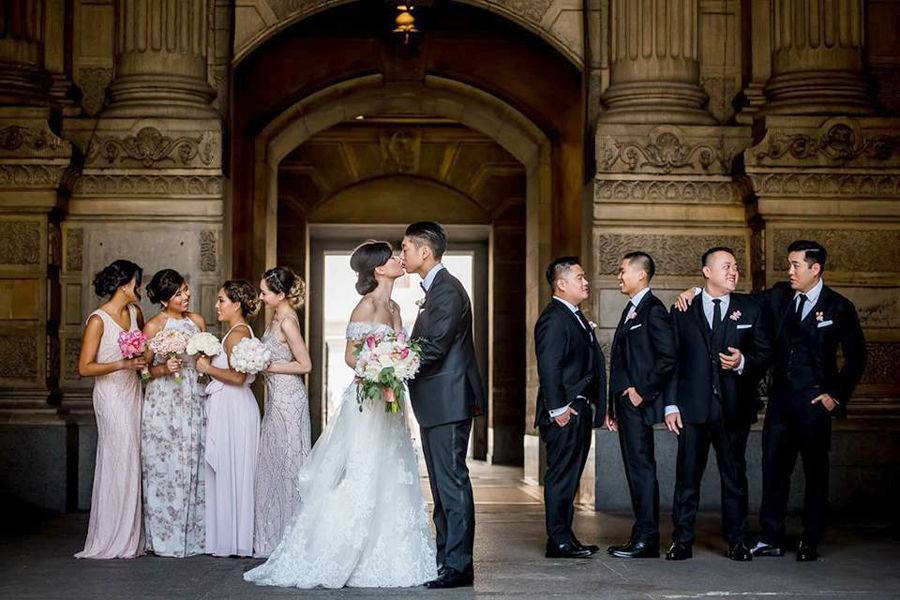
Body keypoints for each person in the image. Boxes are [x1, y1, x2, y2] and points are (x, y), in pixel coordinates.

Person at [244, 241, 436, 589]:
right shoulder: (365, 306)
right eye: (392, 256)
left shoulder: (393, 306)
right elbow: (351, 356)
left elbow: (400, 349)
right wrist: (377, 370)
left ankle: (393, 549)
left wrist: (397, 366)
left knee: (392, 469)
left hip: (392, 402)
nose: (398, 259)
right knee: (362, 470)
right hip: (367, 400)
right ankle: (340, 549)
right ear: (379, 268)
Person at [664, 247, 770, 562]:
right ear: (707, 272)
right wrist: (671, 405)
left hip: (733, 409)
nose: (733, 272)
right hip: (692, 408)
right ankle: (681, 540)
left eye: (735, 267)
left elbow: (764, 354)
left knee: (734, 478)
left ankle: (737, 540)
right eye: (725, 267)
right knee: (686, 478)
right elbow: (673, 361)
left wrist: (742, 362)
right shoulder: (683, 309)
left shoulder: (750, 308)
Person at [402, 222, 486, 589]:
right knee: (440, 486)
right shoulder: (435, 289)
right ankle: (445, 560)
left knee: (451, 484)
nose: (401, 254)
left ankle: (458, 566)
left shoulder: (448, 291)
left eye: (405, 248)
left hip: (449, 400)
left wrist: (396, 363)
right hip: (437, 402)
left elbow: (434, 346)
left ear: (425, 252)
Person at [605, 252, 676, 559]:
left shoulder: (653, 310)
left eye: (622, 271)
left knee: (642, 470)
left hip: (637, 403)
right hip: (624, 407)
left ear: (641, 275)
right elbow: (620, 363)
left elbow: (668, 357)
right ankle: (640, 532)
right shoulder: (631, 309)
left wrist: (640, 392)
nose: (618, 277)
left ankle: (647, 539)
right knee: (635, 470)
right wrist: (612, 406)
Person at [534, 257, 605, 559]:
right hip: (564, 414)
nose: (585, 281)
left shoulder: (574, 315)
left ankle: (566, 536)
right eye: (579, 277)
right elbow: (548, 366)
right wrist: (558, 409)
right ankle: (558, 541)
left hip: (578, 410)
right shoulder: (553, 318)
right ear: (561, 284)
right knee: (561, 476)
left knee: (571, 476)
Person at [76, 260, 147, 559]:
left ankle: (130, 536)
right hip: (110, 394)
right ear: (124, 286)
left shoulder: (135, 313)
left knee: (133, 456)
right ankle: (109, 535)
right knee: (118, 454)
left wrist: (142, 361)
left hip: (132, 391)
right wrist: (123, 363)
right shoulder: (98, 321)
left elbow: (142, 349)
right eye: (137, 283)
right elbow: (84, 367)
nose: (139, 289)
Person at [141, 269, 207, 557]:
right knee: (164, 466)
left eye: (186, 289)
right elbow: (141, 373)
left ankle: (196, 537)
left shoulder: (197, 321)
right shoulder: (153, 326)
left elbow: (205, 360)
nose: (186, 296)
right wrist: (162, 369)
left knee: (195, 461)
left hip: (193, 398)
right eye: (178, 293)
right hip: (163, 404)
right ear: (165, 299)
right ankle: (165, 538)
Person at [196, 280, 261, 557]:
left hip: (234, 407)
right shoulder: (237, 332)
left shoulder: (236, 335)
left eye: (221, 300)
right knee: (230, 468)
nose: (216, 305)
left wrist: (207, 367)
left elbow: (238, 377)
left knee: (232, 468)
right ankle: (230, 538)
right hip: (233, 406)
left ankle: (233, 540)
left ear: (236, 305)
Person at [253, 266, 313, 557]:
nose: (261, 297)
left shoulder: (288, 321)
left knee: (289, 463)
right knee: (273, 462)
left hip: (289, 400)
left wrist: (266, 366)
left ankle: (292, 534)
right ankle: (272, 532)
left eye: (265, 292)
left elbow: (305, 365)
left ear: (280, 294)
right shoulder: (275, 316)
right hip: (275, 398)